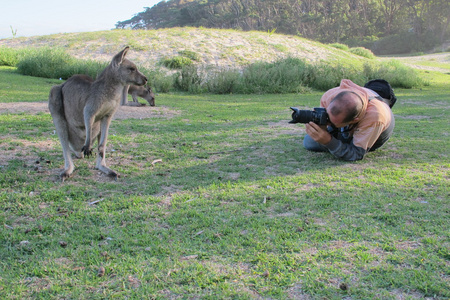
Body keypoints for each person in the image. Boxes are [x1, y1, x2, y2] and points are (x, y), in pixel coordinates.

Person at [303, 79, 395, 161]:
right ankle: (340, 133)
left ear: (355, 120)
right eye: (327, 116)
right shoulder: (329, 96)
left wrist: (328, 141)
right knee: (310, 141)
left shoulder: (375, 116)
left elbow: (356, 154)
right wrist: (322, 128)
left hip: (376, 129)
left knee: (313, 143)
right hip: (358, 112)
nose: (328, 122)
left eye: (333, 123)